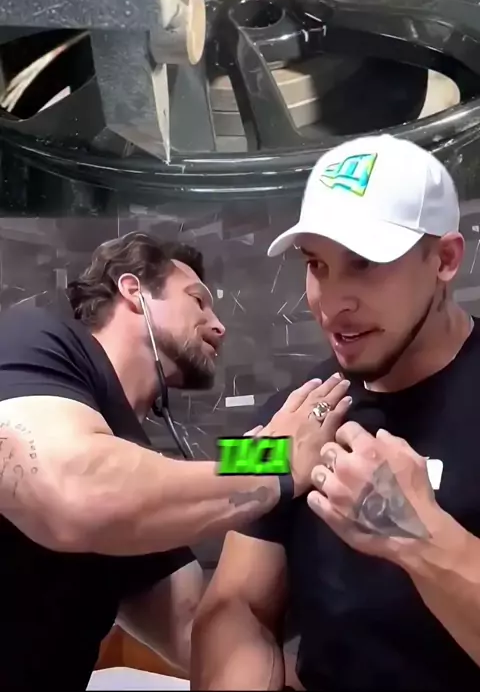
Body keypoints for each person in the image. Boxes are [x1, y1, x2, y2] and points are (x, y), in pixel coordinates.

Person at [0, 231, 351, 691]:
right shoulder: (34, 338)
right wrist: (276, 459)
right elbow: (69, 487)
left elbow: (194, 627)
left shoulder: (137, 469)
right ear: (134, 291)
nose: (219, 326)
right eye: (198, 301)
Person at [192, 133, 480, 692]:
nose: (331, 301)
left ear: (445, 259)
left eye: (364, 263)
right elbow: (233, 603)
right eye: (316, 264)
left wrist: (418, 537)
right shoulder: (287, 414)